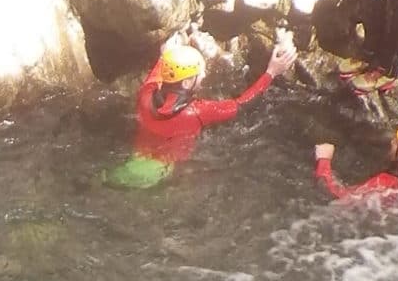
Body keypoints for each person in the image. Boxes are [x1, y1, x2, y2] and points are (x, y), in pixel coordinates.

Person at [118, 29, 297, 182]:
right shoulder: (197, 112)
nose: (204, 75)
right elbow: (242, 105)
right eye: (200, 73)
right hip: (163, 171)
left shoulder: (146, 95)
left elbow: (159, 69)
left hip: (135, 161)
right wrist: (271, 72)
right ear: (187, 82)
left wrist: (168, 52)